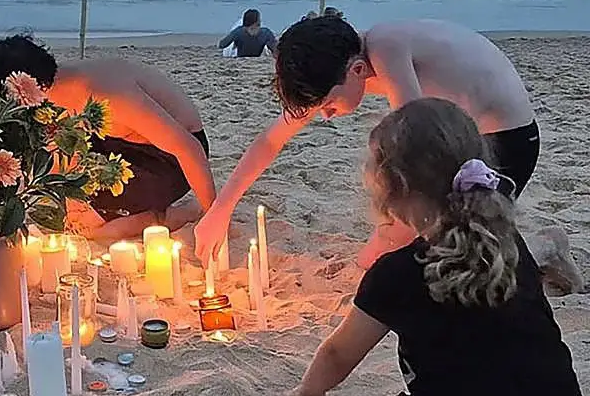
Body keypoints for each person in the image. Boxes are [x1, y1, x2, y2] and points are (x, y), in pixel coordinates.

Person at [274, 98, 585, 396]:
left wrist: (308, 392)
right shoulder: (506, 242)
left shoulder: (397, 273)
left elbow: (339, 353)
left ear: (393, 186)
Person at [195, 16, 545, 271]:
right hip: (456, 135)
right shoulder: (338, 64)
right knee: (412, 246)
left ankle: (545, 252)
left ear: (358, 70)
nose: (326, 116)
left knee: (450, 252)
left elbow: (415, 146)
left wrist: (380, 245)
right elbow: (270, 141)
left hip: (505, 142)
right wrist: (220, 209)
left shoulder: (388, 47)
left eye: (329, 105)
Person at [0, 34, 215, 242]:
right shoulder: (56, 88)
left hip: (171, 161)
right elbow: (59, 149)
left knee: (95, 229)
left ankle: (172, 216)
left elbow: (189, 148)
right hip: (124, 143)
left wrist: (214, 215)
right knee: (69, 199)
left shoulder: (107, 94)